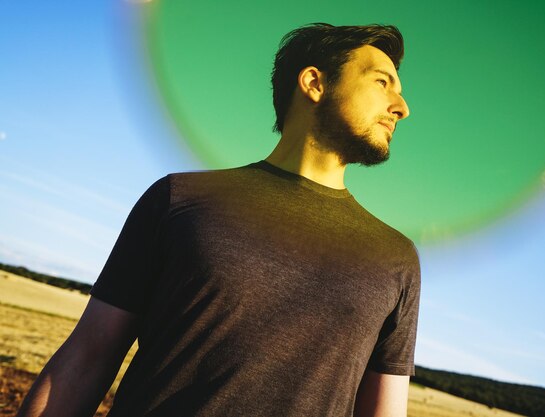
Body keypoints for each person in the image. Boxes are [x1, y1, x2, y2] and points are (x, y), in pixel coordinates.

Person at [18, 23, 420, 417]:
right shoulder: (181, 199)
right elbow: (89, 356)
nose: (402, 108)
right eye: (383, 83)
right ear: (314, 83)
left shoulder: (395, 259)